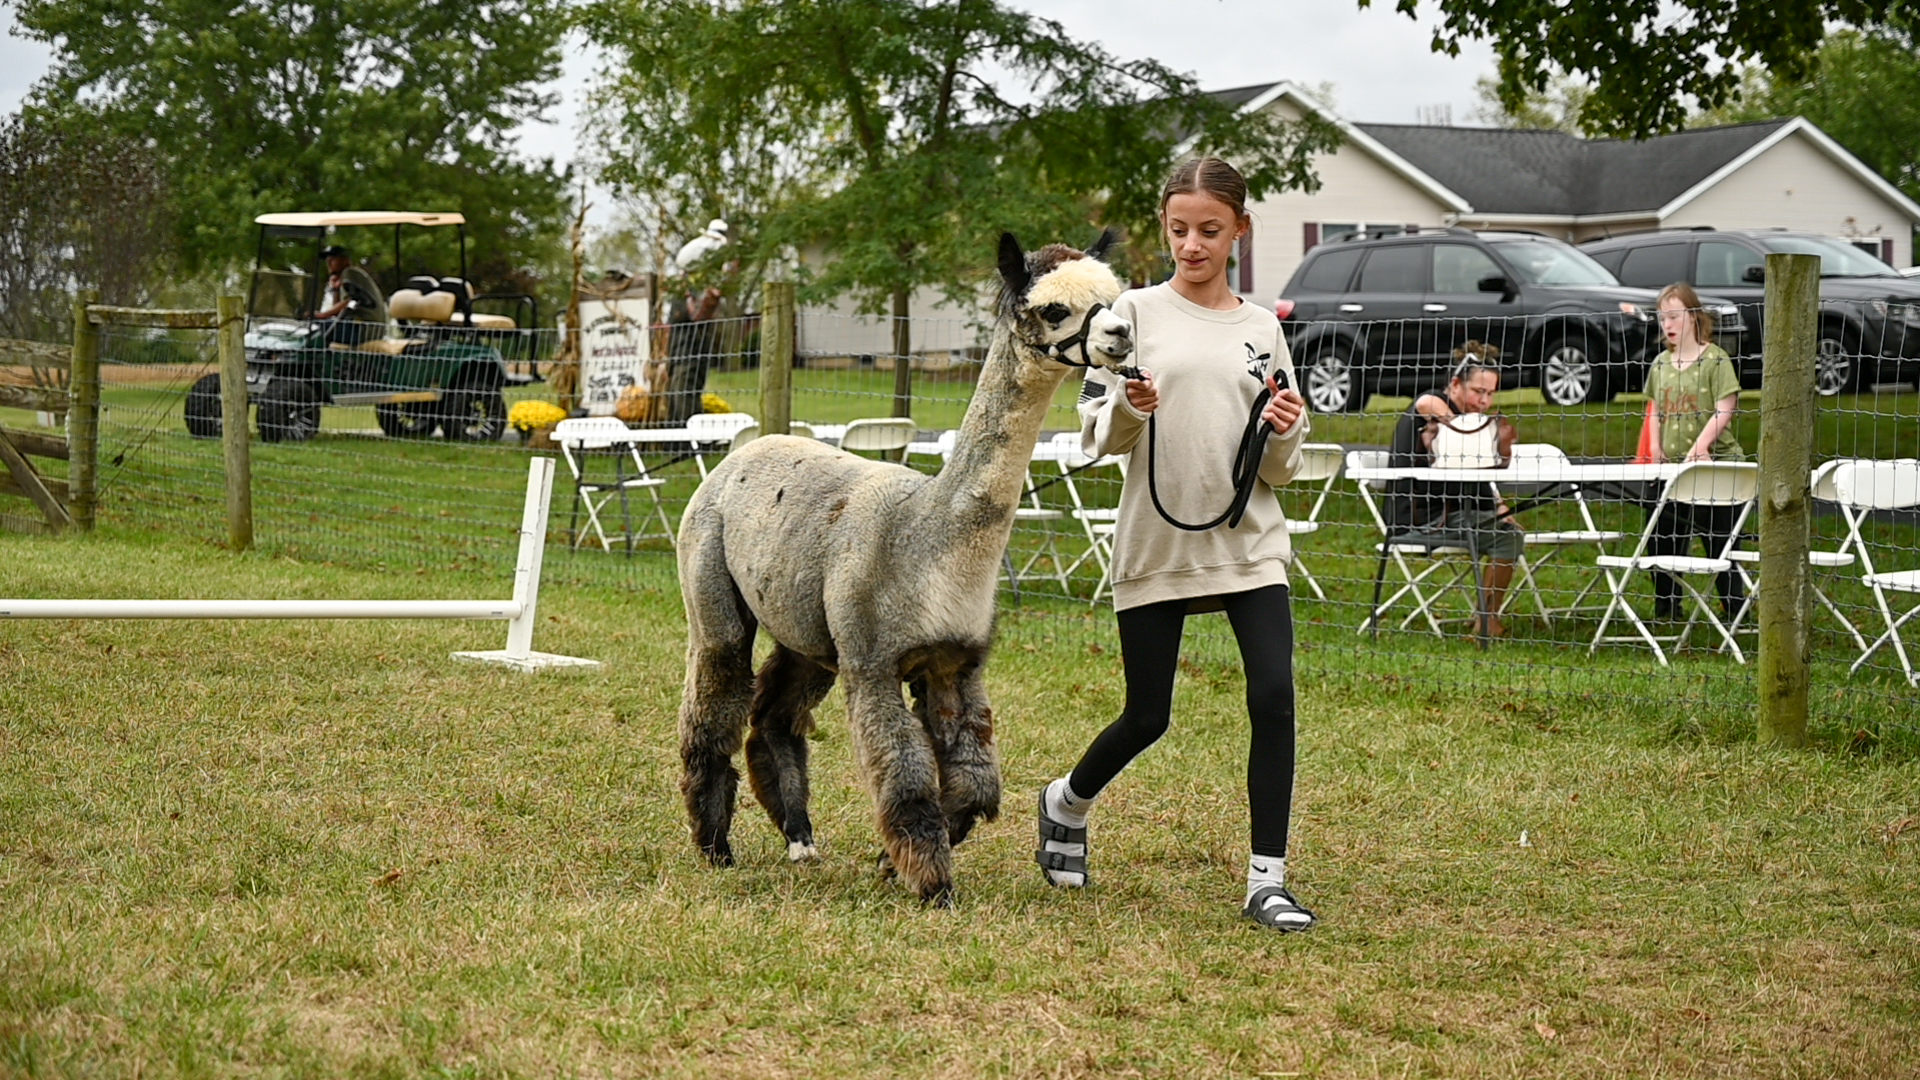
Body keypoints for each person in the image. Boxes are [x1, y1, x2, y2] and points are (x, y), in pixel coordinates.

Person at [1033, 157, 1316, 932]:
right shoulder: (1130, 314)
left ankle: (1268, 881)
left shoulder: (1263, 330)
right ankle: (1065, 802)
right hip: (1156, 544)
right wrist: (1130, 402)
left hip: (1250, 543)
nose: (1192, 245)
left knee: (1273, 695)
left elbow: (1284, 463)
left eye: (1210, 232)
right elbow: (1094, 434)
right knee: (1147, 715)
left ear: (1240, 232)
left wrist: (1288, 432)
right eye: (1179, 229)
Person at [1384, 348, 1523, 638]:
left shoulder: (1467, 418)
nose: (1484, 402)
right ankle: (1486, 621)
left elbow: (1474, 469)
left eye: (1491, 394)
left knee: (1509, 529)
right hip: (1422, 519)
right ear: (1456, 384)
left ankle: (1485, 616)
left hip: (1456, 514)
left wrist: (1499, 507)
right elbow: (1461, 440)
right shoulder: (1431, 404)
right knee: (1507, 538)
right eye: (1478, 391)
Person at [1643, 282, 1745, 620]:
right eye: (1662, 318)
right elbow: (1656, 409)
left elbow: (1725, 406)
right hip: (1671, 470)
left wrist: (1702, 445)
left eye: (1674, 316)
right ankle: (1667, 606)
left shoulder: (1716, 359)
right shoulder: (1660, 363)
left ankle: (1733, 606)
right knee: (1663, 535)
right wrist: (1655, 446)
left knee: (1720, 539)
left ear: (1693, 316)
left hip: (1716, 470)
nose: (1668, 325)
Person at [312, 245, 384, 346]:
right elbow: (338, 311)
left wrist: (322, 315)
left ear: (345, 261)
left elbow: (348, 303)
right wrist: (335, 290)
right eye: (327, 259)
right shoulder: (346, 280)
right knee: (321, 327)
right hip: (358, 328)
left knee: (316, 328)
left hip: (364, 328)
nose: (328, 262)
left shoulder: (350, 272)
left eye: (333, 259)